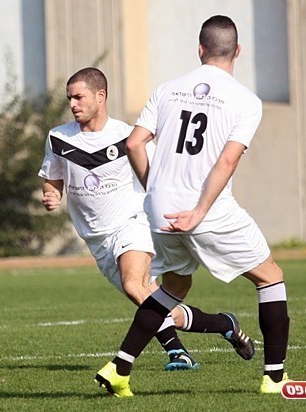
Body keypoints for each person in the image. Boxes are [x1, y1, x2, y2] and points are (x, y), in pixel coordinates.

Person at [95, 15, 290, 397]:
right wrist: (199, 211)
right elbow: (227, 161)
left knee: (174, 286)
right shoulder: (246, 100)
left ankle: (119, 368)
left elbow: (134, 143)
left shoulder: (167, 89)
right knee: (270, 277)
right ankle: (275, 379)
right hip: (205, 210)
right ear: (238, 51)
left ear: (200, 49)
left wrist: (155, 192)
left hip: (159, 209)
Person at [39, 67, 254, 376]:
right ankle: (224, 324)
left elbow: (162, 176)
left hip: (133, 222)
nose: (73, 104)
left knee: (133, 285)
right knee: (155, 304)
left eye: (79, 97)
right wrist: (51, 195)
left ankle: (177, 352)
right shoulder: (58, 137)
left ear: (100, 96)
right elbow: (53, 179)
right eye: (69, 98)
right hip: (97, 239)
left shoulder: (128, 136)